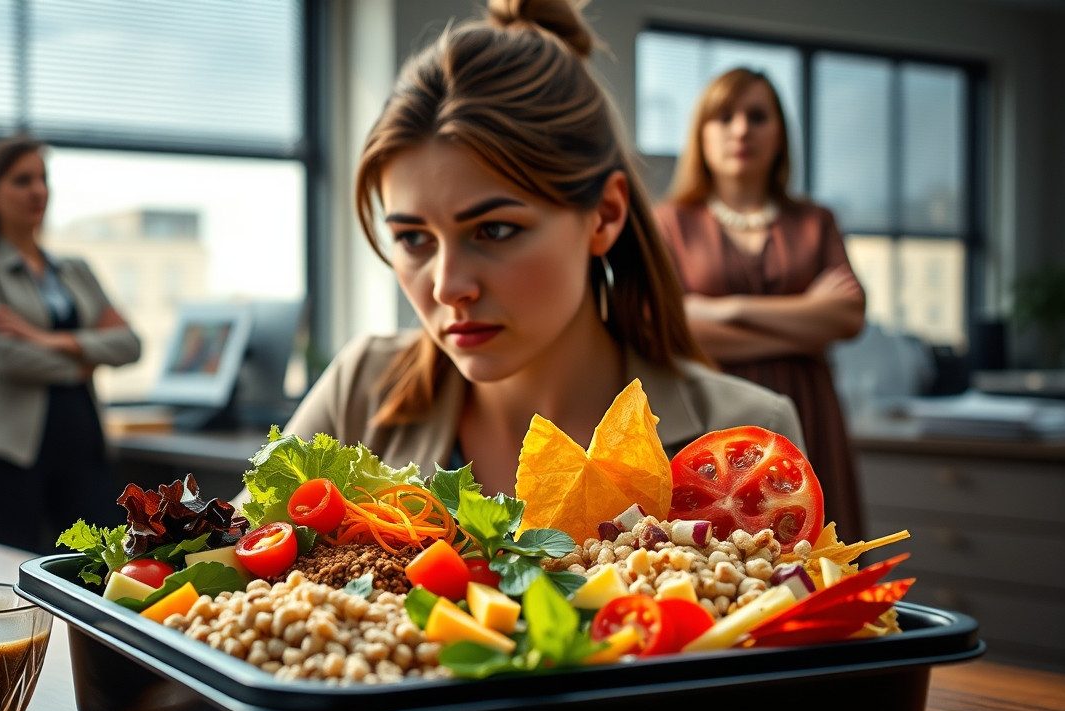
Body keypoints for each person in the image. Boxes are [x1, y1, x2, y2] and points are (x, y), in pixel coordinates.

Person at [277, 0, 805, 503]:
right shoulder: (359, 392)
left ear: (604, 214)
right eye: (414, 238)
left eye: (495, 230)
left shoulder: (749, 443)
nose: (446, 286)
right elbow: (224, 566)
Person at [653, 68, 867, 541]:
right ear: (701, 133)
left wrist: (722, 309)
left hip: (808, 407)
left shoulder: (816, 221)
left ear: (781, 134)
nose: (741, 129)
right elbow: (667, 326)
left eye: (757, 116)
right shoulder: (667, 223)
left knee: (816, 558)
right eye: (724, 116)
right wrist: (806, 318)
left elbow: (849, 316)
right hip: (710, 414)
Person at [0, 136, 142, 552]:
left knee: (103, 569)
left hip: (82, 442)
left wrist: (44, 337)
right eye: (22, 180)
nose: (38, 191)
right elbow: (5, 356)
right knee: (14, 576)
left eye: (42, 179)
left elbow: (129, 344)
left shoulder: (75, 269)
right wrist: (84, 358)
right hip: (7, 453)